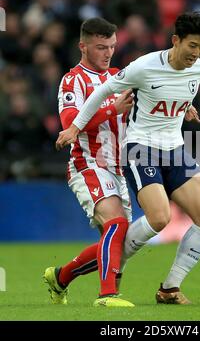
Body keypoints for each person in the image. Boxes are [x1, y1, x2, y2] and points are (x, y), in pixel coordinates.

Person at [56, 12, 200, 304]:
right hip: (140, 148)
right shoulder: (143, 66)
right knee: (159, 218)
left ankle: (169, 289)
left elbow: (181, 90)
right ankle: (113, 273)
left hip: (176, 148)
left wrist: (185, 108)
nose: (196, 53)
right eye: (192, 46)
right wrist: (75, 127)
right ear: (176, 40)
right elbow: (104, 91)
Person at [43, 17, 141, 308]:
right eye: (100, 47)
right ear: (83, 46)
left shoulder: (119, 76)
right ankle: (107, 296)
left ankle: (60, 277)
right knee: (117, 223)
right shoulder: (73, 80)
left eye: (111, 46)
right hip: (88, 164)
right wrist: (112, 108)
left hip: (120, 168)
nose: (108, 53)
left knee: (114, 244)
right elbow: (70, 123)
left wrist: (184, 104)